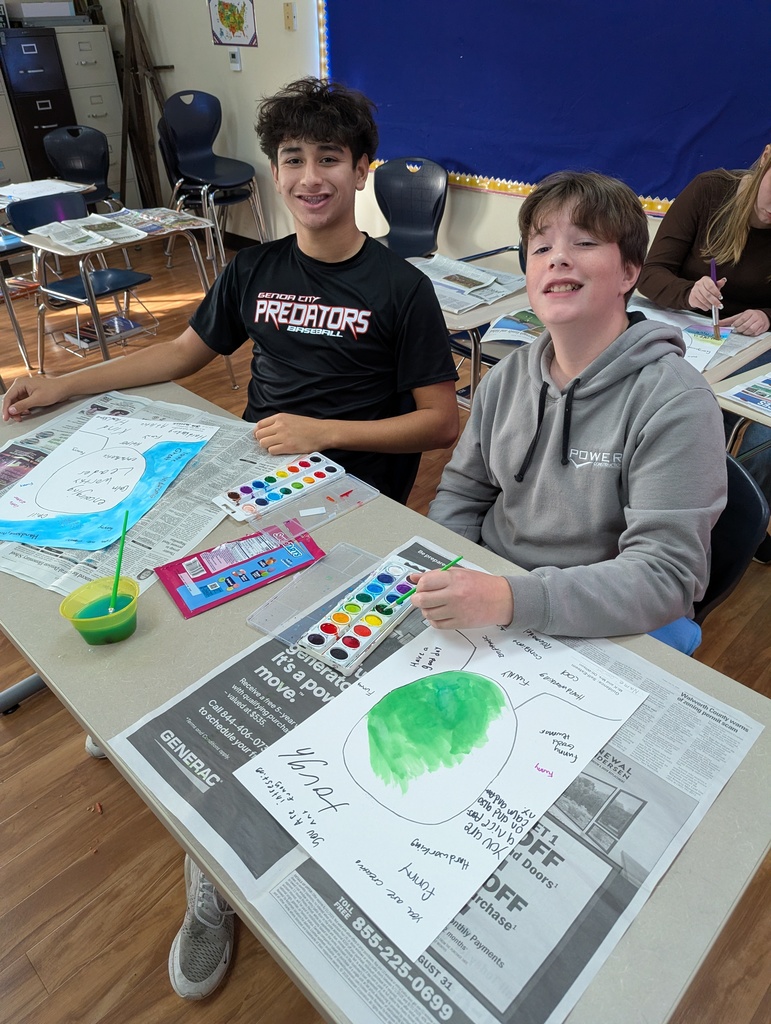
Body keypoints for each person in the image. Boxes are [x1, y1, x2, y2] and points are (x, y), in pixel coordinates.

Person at [2, 77, 460, 1000]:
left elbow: (441, 422)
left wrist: (326, 433)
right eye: (293, 159)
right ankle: (148, 738)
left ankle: (212, 885)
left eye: (330, 158)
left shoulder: (400, 289)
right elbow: (182, 355)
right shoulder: (253, 270)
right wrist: (66, 384)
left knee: (260, 691)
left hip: (350, 510)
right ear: (278, 170)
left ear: (360, 170)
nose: (309, 176)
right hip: (255, 490)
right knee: (171, 611)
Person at [408, 170, 727, 646]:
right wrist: (447, 566)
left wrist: (510, 599)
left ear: (629, 272)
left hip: (599, 613)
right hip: (493, 590)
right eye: (540, 249)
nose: (557, 258)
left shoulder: (675, 401)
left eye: (584, 243)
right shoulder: (507, 377)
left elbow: (666, 576)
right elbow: (463, 490)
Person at [636, 148, 771, 562]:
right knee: (685, 413)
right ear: (766, 160)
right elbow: (649, 273)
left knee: (763, 434)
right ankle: (660, 514)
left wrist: (766, 315)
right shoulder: (710, 192)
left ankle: (734, 523)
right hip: (688, 333)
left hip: (751, 345)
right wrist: (689, 292)